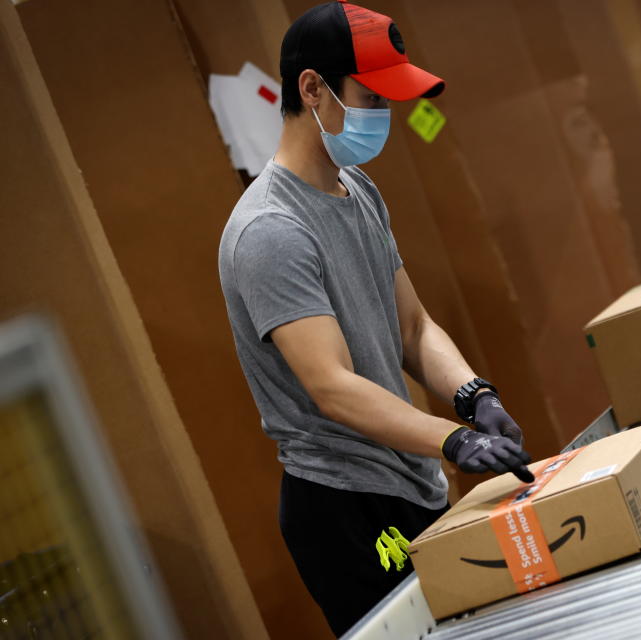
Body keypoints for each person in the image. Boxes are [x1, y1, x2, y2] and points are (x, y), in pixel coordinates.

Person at [217, 1, 535, 635]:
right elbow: (330, 387)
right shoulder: (270, 231)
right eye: (371, 97)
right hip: (346, 506)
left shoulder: (357, 188)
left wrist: (473, 397)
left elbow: (413, 327)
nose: (383, 116)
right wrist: (451, 439)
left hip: (408, 479)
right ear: (313, 89)